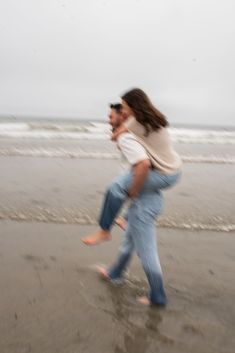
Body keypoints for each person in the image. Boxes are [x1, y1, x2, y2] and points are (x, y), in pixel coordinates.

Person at [82, 88, 182, 305]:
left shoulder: (130, 136)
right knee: (129, 241)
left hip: (156, 185)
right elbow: (119, 135)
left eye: (118, 112)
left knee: (116, 189)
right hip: (165, 179)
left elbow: (143, 165)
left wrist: (132, 192)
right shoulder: (144, 123)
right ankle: (115, 273)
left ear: (130, 110)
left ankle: (158, 296)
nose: (110, 119)